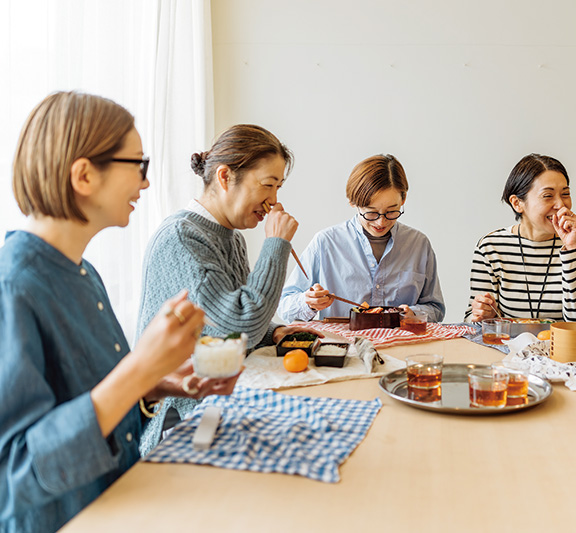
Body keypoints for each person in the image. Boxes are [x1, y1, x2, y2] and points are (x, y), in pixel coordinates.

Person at [0, 91, 226, 532]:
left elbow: (98, 415)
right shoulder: (13, 287)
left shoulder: (85, 274)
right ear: (83, 174)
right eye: (138, 165)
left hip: (122, 505)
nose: (145, 184)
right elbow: (14, 476)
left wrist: (154, 387)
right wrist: (139, 368)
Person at [137, 124, 315, 454]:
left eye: (278, 187)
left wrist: (274, 332)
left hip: (221, 399)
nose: (274, 200)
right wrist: (275, 245)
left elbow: (235, 321)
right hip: (181, 417)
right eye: (268, 185)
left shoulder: (229, 237)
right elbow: (238, 322)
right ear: (224, 177)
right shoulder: (183, 238)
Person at [278, 154, 445, 322]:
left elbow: (435, 308)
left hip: (402, 346)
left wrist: (414, 314)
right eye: (371, 212)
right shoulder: (326, 242)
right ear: (352, 202)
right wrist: (309, 303)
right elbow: (285, 306)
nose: (381, 222)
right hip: (344, 346)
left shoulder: (419, 244)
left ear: (403, 199)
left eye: (391, 211)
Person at [466, 154, 576, 323]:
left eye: (565, 194)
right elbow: (473, 322)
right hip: (506, 348)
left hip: (563, 348)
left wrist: (572, 249)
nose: (561, 204)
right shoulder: (491, 248)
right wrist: (481, 314)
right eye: (548, 196)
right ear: (517, 203)